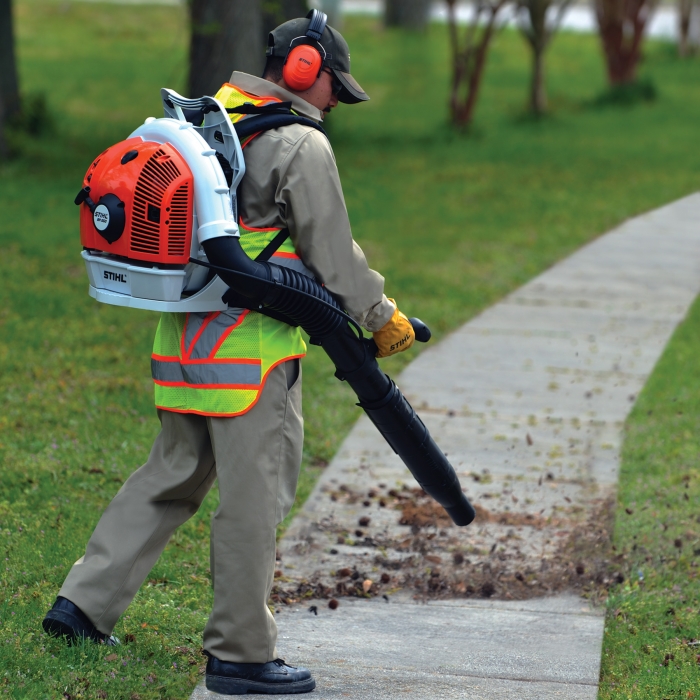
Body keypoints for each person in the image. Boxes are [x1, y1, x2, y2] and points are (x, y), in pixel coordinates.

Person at [43, 11, 415, 696]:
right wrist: (382, 319)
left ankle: (81, 606)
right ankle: (241, 653)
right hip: (253, 355)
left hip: (184, 339)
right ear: (305, 68)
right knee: (255, 502)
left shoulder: (206, 114)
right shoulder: (302, 144)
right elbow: (332, 255)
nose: (336, 99)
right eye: (335, 83)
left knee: (171, 474)